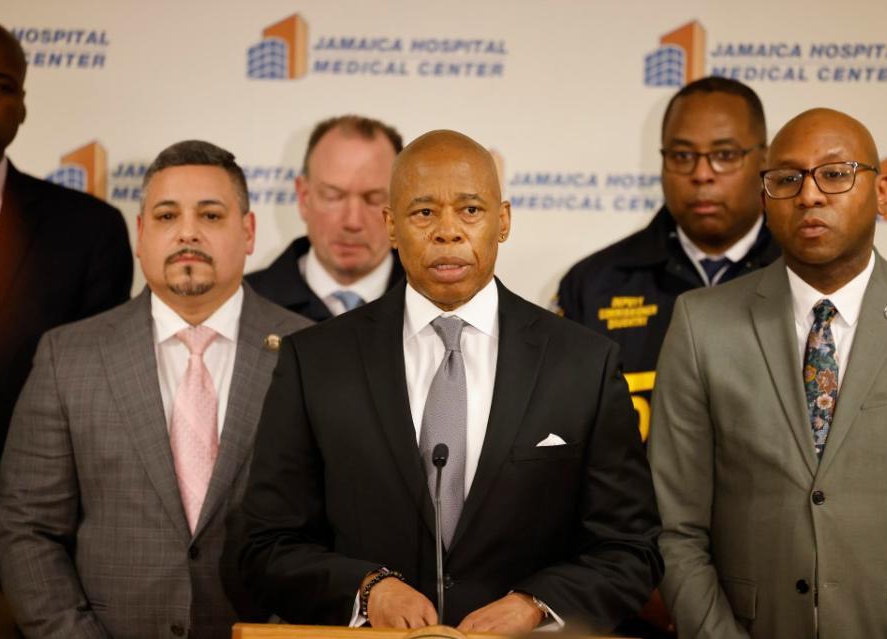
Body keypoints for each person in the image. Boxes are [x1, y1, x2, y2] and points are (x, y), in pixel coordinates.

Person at [237, 130, 662, 634]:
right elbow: (265, 546)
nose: (447, 232)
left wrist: (536, 604)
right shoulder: (316, 360)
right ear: (391, 227)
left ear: (502, 221)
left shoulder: (581, 363)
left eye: (470, 210)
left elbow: (631, 548)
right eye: (423, 214)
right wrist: (367, 590)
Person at [0, 140, 311, 638]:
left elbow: (335, 528)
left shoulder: (312, 351)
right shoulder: (68, 356)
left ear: (248, 232)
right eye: (166, 217)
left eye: (210, 216)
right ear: (141, 234)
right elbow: (28, 530)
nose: (187, 233)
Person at [648, 108, 887, 638]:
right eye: (787, 179)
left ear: (885, 192)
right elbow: (676, 528)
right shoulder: (700, 324)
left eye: (835, 173)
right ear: (764, 199)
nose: (809, 195)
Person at [0, 16, 132, 580]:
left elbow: (96, 409)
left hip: (29, 554)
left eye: (0, 86)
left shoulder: (87, 231)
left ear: (22, 105)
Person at [555, 77, 779, 440]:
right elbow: (566, 436)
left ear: (765, 161)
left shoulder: (802, 275)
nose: (701, 174)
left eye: (724, 155)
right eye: (682, 156)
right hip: (642, 498)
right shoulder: (595, 283)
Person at [246, 115, 405, 320]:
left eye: (373, 199)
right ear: (304, 198)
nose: (352, 222)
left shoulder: (438, 303)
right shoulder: (244, 304)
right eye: (333, 197)